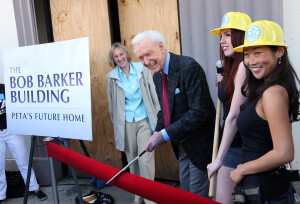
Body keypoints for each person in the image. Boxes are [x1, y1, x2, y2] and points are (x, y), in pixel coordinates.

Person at [132, 30, 216, 197]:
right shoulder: (157, 77)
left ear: (161, 46)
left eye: (148, 54)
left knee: (197, 197)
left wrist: (163, 135)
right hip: (181, 145)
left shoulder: (188, 67)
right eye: (141, 58)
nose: (146, 61)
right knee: (185, 192)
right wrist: (157, 132)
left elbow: (199, 112)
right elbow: (165, 111)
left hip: (200, 146)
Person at [230, 20, 299, 203]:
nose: (252, 61)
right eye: (247, 54)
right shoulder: (265, 88)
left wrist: (242, 169)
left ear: (279, 51)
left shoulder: (273, 93)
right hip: (260, 190)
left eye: (258, 52)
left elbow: (284, 152)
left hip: (268, 194)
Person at [105, 42, 160, 204]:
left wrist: (158, 120)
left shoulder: (142, 70)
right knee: (133, 159)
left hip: (144, 119)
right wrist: (116, 125)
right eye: (116, 56)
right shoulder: (111, 78)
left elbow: (154, 96)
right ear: (113, 60)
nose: (120, 58)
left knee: (146, 158)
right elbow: (112, 105)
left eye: (121, 54)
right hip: (126, 122)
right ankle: (138, 194)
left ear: (126, 54)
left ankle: (150, 197)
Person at [207, 12, 251, 203]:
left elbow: (233, 116)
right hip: (234, 145)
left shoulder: (244, 65)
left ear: (241, 37)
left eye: (227, 35)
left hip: (243, 146)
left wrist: (218, 159)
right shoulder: (233, 66)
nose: (222, 41)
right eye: (220, 36)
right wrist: (225, 81)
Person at [0, 84, 48, 202]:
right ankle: (1, 195)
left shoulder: (4, 88)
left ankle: (34, 188)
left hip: (12, 130)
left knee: (23, 161)